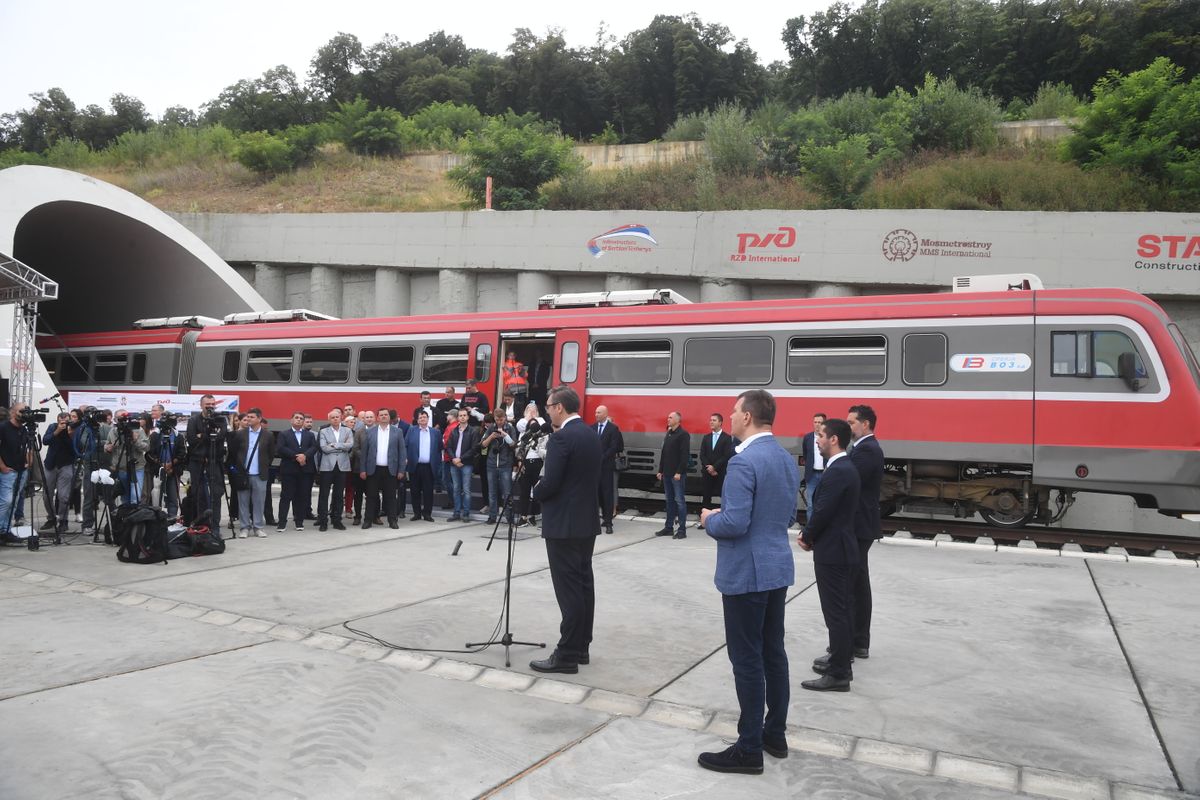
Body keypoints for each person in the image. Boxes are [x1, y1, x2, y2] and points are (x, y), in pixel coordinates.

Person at [697, 389, 800, 775]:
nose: (730, 415)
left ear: (747, 417)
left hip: (746, 574)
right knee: (774, 653)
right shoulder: (785, 459)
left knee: (746, 660)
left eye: (734, 410)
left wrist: (710, 519)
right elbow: (786, 517)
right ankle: (774, 734)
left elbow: (735, 524)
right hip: (776, 568)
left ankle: (748, 748)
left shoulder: (743, 463)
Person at [530, 385, 602, 675]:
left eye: (548, 406)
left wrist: (534, 491)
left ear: (559, 407)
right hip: (586, 523)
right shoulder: (590, 435)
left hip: (563, 525)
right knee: (584, 585)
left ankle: (567, 654)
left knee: (568, 590)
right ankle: (582, 646)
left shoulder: (561, 440)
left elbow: (552, 482)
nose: (547, 411)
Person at [797, 417, 860, 692]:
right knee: (841, 610)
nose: (817, 439)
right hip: (839, 548)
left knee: (836, 613)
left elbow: (823, 510)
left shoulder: (838, 471)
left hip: (833, 551)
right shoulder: (845, 468)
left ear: (834, 439)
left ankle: (839, 674)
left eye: (821, 435)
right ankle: (839, 659)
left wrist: (807, 535)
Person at [845, 404, 884, 660]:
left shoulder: (867, 451)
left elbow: (845, 482)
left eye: (851, 423)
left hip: (859, 526)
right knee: (857, 584)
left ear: (865, 424)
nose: (848, 427)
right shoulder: (863, 449)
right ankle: (857, 642)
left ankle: (853, 643)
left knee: (853, 586)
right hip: (860, 525)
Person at [228, 408, 274, 537]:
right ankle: (244, 527)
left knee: (259, 502)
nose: (248, 419)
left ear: (259, 419)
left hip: (260, 474)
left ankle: (258, 527)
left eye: (252, 417)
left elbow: (271, 455)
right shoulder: (240, 434)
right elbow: (234, 453)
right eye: (247, 417)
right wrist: (236, 470)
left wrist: (264, 465)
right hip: (243, 474)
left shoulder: (268, 435)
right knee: (243, 501)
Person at [185, 394, 229, 526]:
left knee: (216, 494)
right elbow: (192, 440)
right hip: (197, 462)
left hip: (215, 461)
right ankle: (201, 524)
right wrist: (208, 434)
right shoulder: (193, 420)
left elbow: (221, 436)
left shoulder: (220, 419)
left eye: (212, 404)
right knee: (199, 494)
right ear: (201, 405)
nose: (210, 407)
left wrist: (202, 435)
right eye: (207, 404)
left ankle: (215, 526)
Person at [360, 408, 406, 529]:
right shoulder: (370, 432)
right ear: (378, 417)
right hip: (373, 469)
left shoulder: (398, 432)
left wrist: (401, 470)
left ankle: (392, 521)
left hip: (391, 470)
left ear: (389, 417)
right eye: (381, 415)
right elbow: (364, 452)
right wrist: (363, 469)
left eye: (386, 415)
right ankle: (368, 520)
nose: (384, 416)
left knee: (390, 497)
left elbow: (402, 452)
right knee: (371, 496)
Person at [275, 411, 318, 531]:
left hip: (305, 470)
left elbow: (314, 447)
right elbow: (281, 448)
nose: (299, 420)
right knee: (286, 496)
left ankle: (299, 521)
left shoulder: (309, 435)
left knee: (302, 496)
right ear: (291, 420)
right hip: (289, 470)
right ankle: (282, 522)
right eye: (296, 418)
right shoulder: (284, 434)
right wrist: (296, 457)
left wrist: (305, 456)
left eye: (301, 418)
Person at [316, 407, 354, 531]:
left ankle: (337, 520)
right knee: (324, 494)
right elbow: (324, 448)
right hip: (327, 467)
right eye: (332, 417)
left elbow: (349, 446)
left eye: (337, 417)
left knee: (338, 495)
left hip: (342, 466)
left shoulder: (348, 431)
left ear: (341, 418)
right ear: (329, 419)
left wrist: (334, 445)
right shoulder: (323, 431)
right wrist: (341, 447)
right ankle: (323, 521)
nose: (335, 419)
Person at [0, 404, 33, 543]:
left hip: (21, 470)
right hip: (8, 471)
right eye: (21, 411)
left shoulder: (24, 429)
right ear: (13, 412)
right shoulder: (3, 427)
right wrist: (2, 467)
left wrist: (29, 462)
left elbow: (27, 447)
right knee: (6, 501)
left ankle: (5, 530)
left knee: (13, 502)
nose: (24, 414)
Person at [656, 411, 690, 539]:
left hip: (677, 475)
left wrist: (679, 472)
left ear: (677, 420)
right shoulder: (669, 433)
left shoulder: (683, 434)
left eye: (670, 417)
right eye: (668, 417)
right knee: (669, 501)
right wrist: (660, 470)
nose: (668, 419)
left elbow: (684, 455)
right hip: (667, 474)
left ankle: (682, 530)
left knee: (680, 501)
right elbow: (664, 453)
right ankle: (668, 527)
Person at [698, 412, 735, 527]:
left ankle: (724, 520)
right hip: (708, 472)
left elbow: (726, 455)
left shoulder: (727, 438)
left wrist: (715, 467)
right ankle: (704, 521)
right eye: (710, 420)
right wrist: (708, 467)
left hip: (720, 472)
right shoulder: (706, 437)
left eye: (714, 420)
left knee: (723, 495)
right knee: (706, 496)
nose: (711, 422)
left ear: (720, 422)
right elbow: (702, 454)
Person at [146, 415, 185, 521]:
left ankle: (172, 520)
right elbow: (150, 454)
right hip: (158, 471)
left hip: (173, 471)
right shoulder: (155, 436)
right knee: (156, 497)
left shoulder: (178, 436)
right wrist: (160, 464)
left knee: (173, 497)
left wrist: (171, 465)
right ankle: (157, 520)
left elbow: (182, 454)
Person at [42, 412, 75, 536]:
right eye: (61, 421)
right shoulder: (52, 426)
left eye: (66, 421)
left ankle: (63, 520)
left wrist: (68, 433)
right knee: (46, 495)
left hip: (66, 465)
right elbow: (45, 441)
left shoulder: (72, 429)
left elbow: (74, 449)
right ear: (57, 420)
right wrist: (57, 431)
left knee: (63, 496)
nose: (63, 424)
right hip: (51, 465)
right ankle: (51, 518)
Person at [515, 404, 548, 527]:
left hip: (538, 463)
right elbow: (518, 449)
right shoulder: (524, 435)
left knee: (536, 491)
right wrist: (519, 462)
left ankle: (533, 515)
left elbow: (545, 451)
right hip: (526, 463)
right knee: (524, 491)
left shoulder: (543, 436)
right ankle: (523, 517)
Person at [482, 408, 517, 524]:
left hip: (505, 464)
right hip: (491, 464)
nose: (499, 422)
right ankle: (492, 517)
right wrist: (491, 436)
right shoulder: (491, 428)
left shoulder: (510, 428)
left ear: (505, 418)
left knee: (507, 492)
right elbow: (482, 445)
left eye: (501, 419)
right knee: (492, 492)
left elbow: (513, 445)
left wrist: (505, 436)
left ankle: (509, 517)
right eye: (497, 420)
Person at [106, 412, 150, 504]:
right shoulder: (113, 431)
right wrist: (107, 448)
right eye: (119, 419)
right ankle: (126, 517)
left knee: (135, 496)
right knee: (125, 497)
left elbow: (146, 447)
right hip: (121, 468)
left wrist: (135, 440)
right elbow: (107, 445)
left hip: (136, 467)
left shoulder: (138, 430)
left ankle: (134, 515)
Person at [405, 410, 441, 521]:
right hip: (415, 466)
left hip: (429, 466)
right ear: (417, 420)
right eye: (420, 418)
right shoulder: (412, 430)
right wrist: (406, 458)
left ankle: (427, 514)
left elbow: (440, 448)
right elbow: (405, 445)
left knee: (428, 491)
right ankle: (417, 513)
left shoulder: (435, 432)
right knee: (415, 491)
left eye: (424, 417)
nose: (422, 419)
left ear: (428, 418)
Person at [445, 408, 479, 521]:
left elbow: (474, 449)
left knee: (466, 490)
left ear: (468, 417)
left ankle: (466, 514)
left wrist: (460, 459)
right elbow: (448, 446)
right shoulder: (454, 431)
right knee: (456, 489)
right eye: (460, 415)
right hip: (454, 463)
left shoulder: (473, 431)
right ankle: (456, 513)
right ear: (458, 417)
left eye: (464, 415)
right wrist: (454, 459)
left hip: (467, 464)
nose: (463, 417)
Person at [593, 405, 623, 534]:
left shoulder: (613, 429)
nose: (596, 414)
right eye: (596, 412)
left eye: (598, 412)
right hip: (594, 468)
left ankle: (608, 521)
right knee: (597, 494)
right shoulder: (592, 428)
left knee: (607, 494)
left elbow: (614, 446)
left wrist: (603, 457)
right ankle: (599, 519)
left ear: (605, 414)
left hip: (606, 467)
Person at [351, 410, 376, 524]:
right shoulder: (358, 432)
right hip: (359, 468)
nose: (369, 419)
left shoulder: (379, 432)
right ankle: (357, 516)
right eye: (367, 417)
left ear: (375, 418)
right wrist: (367, 458)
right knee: (358, 494)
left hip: (374, 468)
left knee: (373, 493)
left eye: (371, 417)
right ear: (363, 420)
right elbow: (355, 449)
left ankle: (375, 516)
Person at [801, 413, 828, 512]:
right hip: (811, 475)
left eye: (820, 422)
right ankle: (811, 527)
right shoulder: (807, 438)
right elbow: (806, 454)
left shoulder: (829, 438)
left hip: (825, 474)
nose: (817, 424)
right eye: (815, 422)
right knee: (810, 505)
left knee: (825, 504)